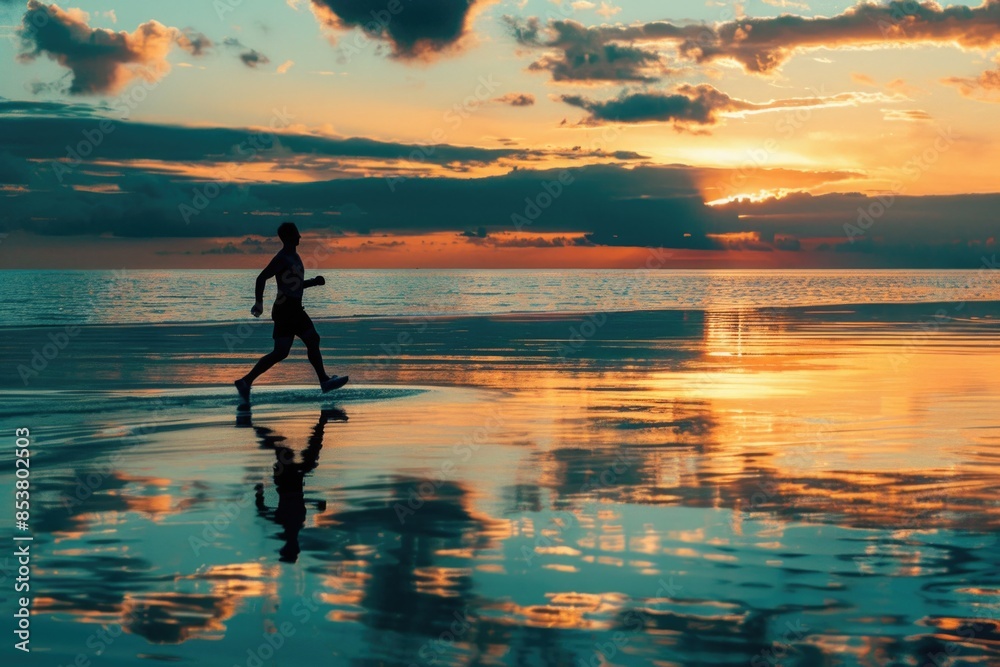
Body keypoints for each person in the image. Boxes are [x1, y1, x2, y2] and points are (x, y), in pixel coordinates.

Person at [234, 222, 347, 404]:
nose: (300, 237)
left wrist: (313, 282)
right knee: (306, 341)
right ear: (288, 237)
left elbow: (294, 284)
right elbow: (261, 277)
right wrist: (259, 303)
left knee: (285, 350)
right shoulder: (283, 257)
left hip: (292, 308)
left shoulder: (294, 256)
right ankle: (324, 381)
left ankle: (246, 381)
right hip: (286, 309)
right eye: (296, 234)